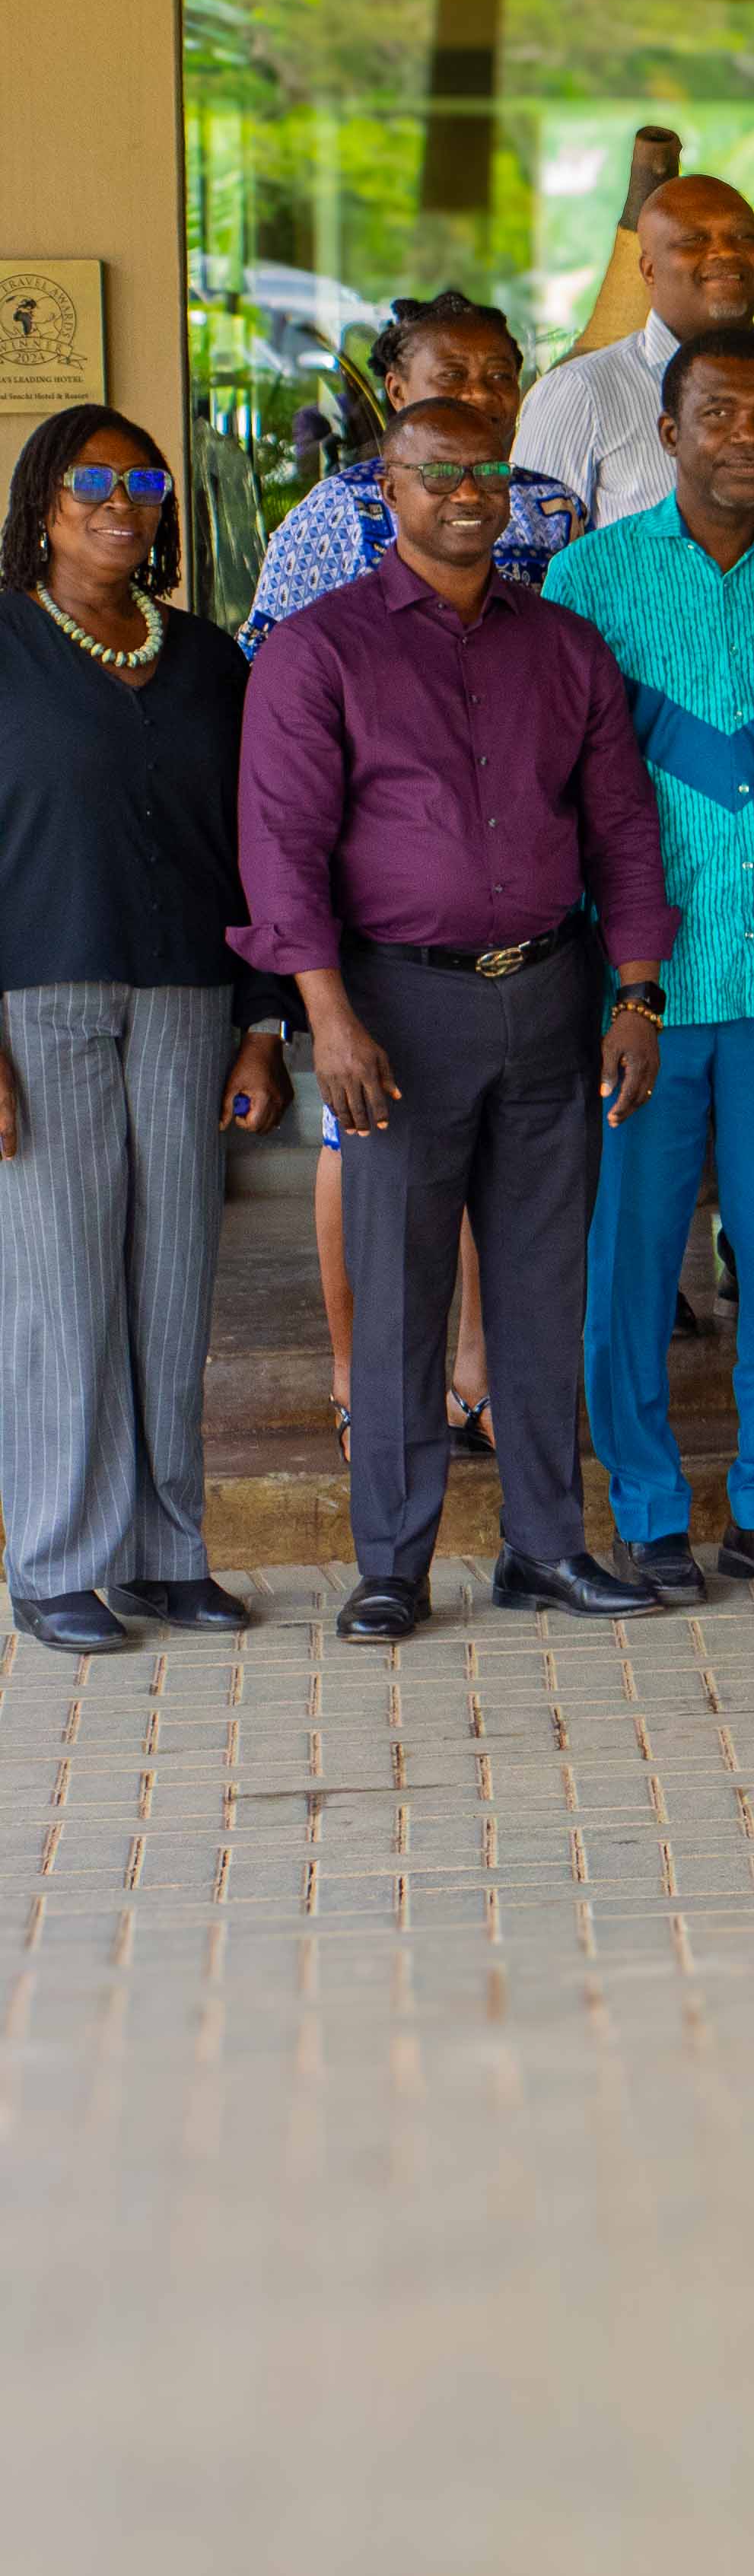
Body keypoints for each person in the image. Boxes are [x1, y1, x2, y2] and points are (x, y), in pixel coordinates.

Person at [243, 391, 679, 1639]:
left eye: (486, 471)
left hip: (550, 994)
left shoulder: (564, 646)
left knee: (543, 1291)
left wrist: (636, 993)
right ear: (388, 489)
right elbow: (280, 849)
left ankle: (546, 1549)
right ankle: (391, 1564)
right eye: (438, 473)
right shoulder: (320, 650)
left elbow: (623, 831)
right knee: (399, 1295)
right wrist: (327, 1018)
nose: (467, 492)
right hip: (395, 1009)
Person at [542, 326, 754, 1600]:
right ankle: (648, 1509)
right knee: (631, 1261)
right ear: (667, 433)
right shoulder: (589, 579)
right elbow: (563, 784)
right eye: (718, 413)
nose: (748, 436)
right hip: (647, 992)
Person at [0, 411, 288, 1659]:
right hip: (37, 998)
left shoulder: (209, 659)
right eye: (93, 482)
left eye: (144, 482)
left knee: (174, 1281)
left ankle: (169, 1554)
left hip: (188, 996)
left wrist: (263, 1024)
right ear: (43, 503)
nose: (122, 503)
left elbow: (256, 846)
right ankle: (58, 1560)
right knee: (62, 1287)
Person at [510, 174, 754, 530]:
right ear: (649, 270)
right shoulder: (578, 393)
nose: (727, 252)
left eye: (744, 237)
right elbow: (530, 551)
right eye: (695, 239)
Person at [245, 291, 593, 640]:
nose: (480, 393)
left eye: (500, 376)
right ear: (397, 391)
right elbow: (274, 648)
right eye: (452, 375)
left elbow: (580, 637)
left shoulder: (554, 504)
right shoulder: (339, 506)